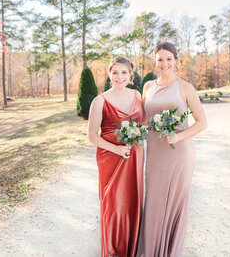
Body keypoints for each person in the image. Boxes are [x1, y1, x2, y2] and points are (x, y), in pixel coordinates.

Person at [137, 42, 208, 257]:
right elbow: (143, 120)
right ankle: (150, 250)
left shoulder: (185, 87)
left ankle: (168, 251)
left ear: (176, 60)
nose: (164, 63)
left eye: (169, 59)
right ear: (154, 62)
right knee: (154, 201)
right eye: (160, 59)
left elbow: (201, 122)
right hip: (156, 155)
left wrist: (178, 136)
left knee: (174, 203)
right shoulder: (148, 87)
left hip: (180, 153)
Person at [88, 56, 144, 257]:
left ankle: (132, 249)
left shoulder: (138, 96)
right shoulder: (100, 101)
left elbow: (143, 124)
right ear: (109, 75)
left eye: (124, 72)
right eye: (115, 72)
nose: (119, 76)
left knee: (131, 201)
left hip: (135, 159)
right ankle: (112, 252)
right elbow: (92, 136)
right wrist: (118, 150)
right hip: (111, 159)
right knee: (113, 205)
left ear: (131, 75)